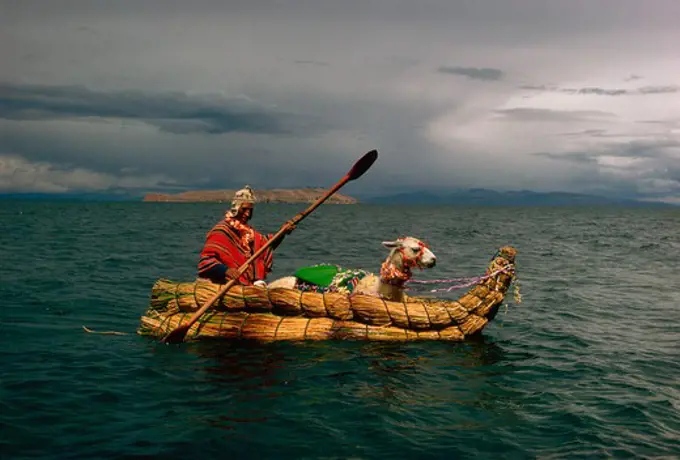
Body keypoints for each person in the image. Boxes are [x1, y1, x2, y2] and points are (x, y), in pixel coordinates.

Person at [197, 185, 294, 287]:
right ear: (236, 208)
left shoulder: (249, 233)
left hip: (246, 286)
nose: (247, 214)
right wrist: (226, 270)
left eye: (250, 210)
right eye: (244, 209)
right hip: (225, 285)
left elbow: (266, 245)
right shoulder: (221, 231)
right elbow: (206, 261)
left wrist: (282, 232)